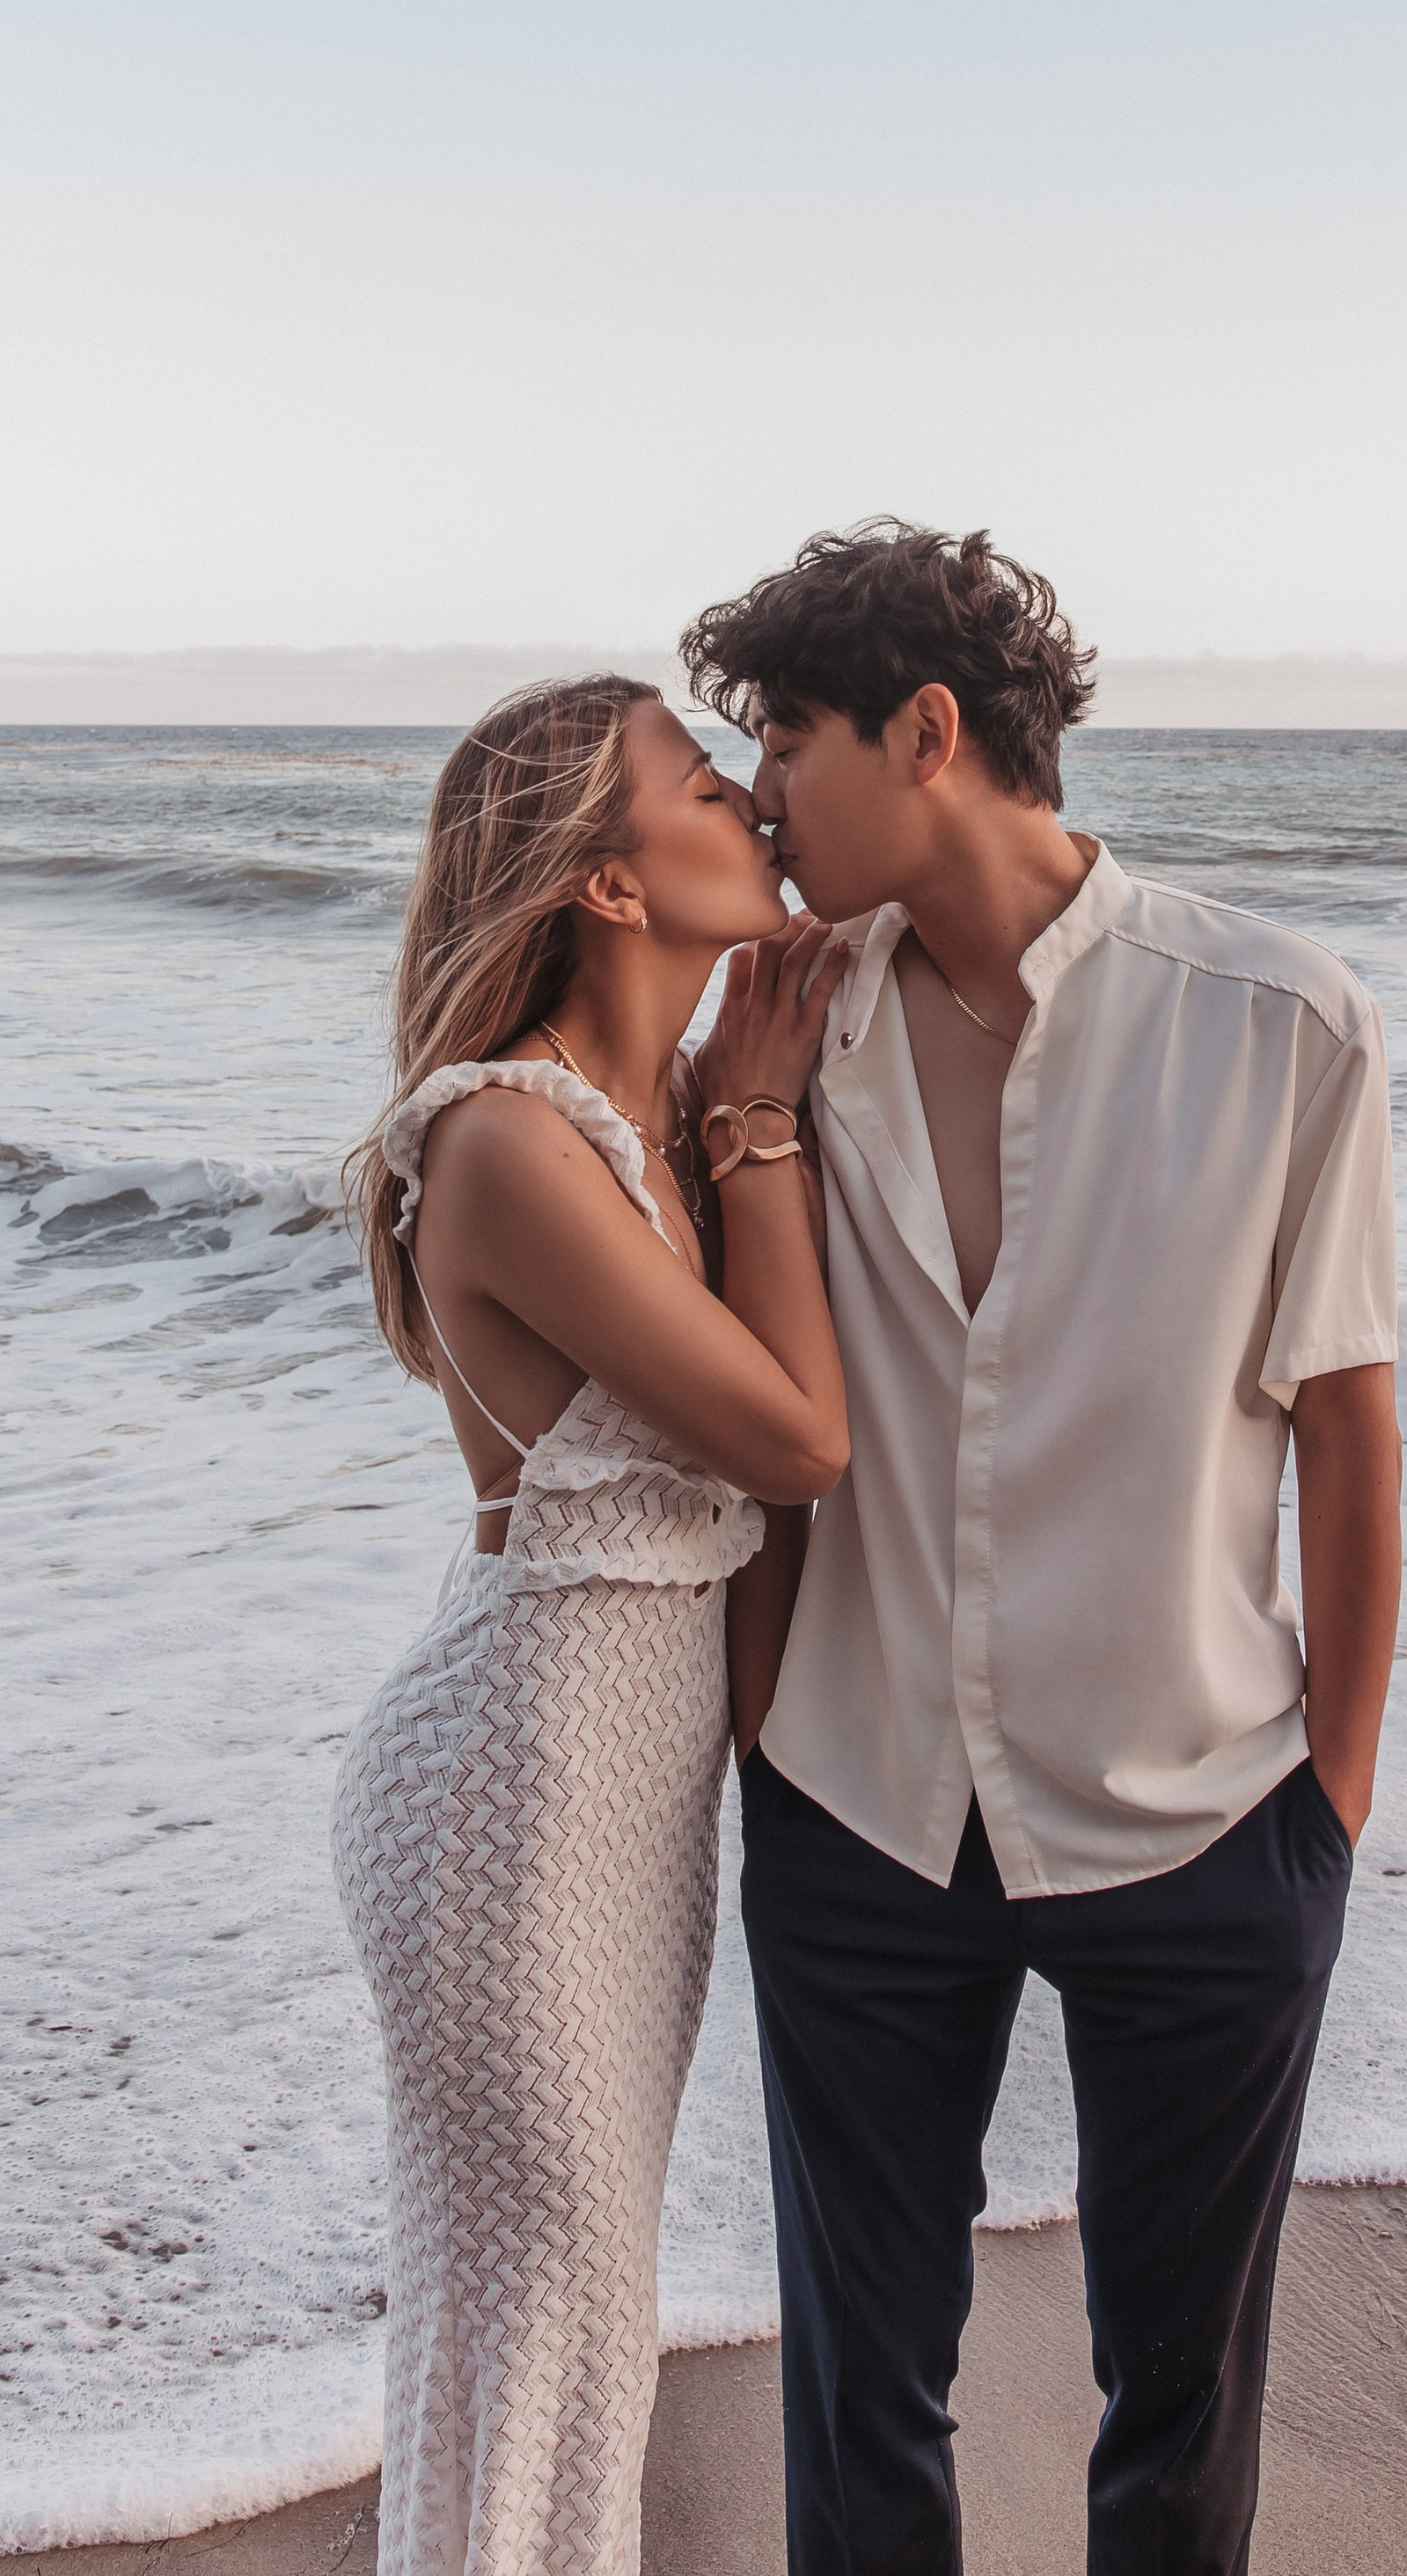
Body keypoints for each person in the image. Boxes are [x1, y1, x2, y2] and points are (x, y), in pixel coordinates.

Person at [679, 526, 1404, 2576]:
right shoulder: (776, 1041)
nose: (755, 801)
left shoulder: (1278, 1023)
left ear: (926, 734)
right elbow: (747, 1420)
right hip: (854, 1805)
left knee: (1176, 2404)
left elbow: (1348, 1433)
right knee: (858, 2398)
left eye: (787, 745)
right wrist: (763, 1736)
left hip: (1198, 1815)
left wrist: (1324, 1816)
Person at [331, 675, 847, 2576]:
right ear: (614, 887)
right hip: (507, 1797)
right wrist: (768, 1126)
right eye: (704, 786)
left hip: (617, 1797)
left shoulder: (662, 1118)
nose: (751, 806)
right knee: (539, 2309)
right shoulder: (505, 1142)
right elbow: (797, 1443)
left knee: (556, 2305)